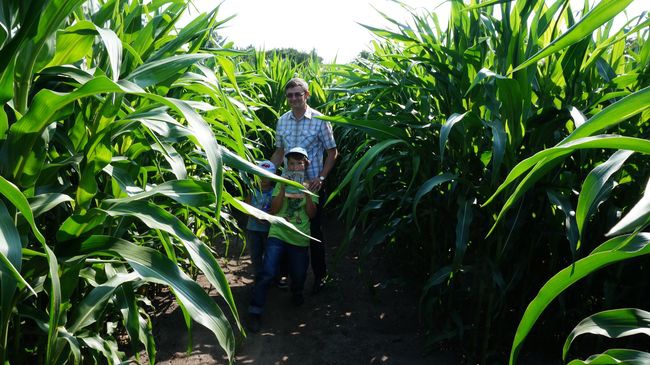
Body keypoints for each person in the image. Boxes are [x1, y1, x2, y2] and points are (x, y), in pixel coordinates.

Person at [270, 77, 338, 294]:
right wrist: (266, 172)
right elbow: (280, 152)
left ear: (307, 95)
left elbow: (332, 152)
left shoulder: (319, 119)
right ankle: (285, 274)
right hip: (288, 185)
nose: (294, 98)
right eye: (290, 95)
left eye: (298, 94)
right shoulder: (282, 121)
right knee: (285, 226)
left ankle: (320, 276)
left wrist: (322, 177)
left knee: (314, 231)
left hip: (312, 186)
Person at [248, 147, 318, 333]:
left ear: (305, 165)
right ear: (287, 165)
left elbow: (311, 215)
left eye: (299, 163)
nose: (295, 167)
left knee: (299, 275)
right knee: (267, 271)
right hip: (278, 232)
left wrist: (308, 194)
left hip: (299, 236)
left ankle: (296, 292)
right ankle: (255, 310)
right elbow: (274, 211)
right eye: (292, 163)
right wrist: (284, 187)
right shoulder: (280, 183)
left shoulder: (312, 185)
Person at [244, 160, 276, 281]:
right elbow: (246, 207)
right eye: (260, 175)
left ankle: (271, 277)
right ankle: (258, 277)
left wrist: (268, 216)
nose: (263, 179)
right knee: (256, 254)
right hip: (253, 229)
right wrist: (256, 216)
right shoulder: (252, 191)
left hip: (269, 230)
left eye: (266, 176)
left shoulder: (275, 192)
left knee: (269, 255)